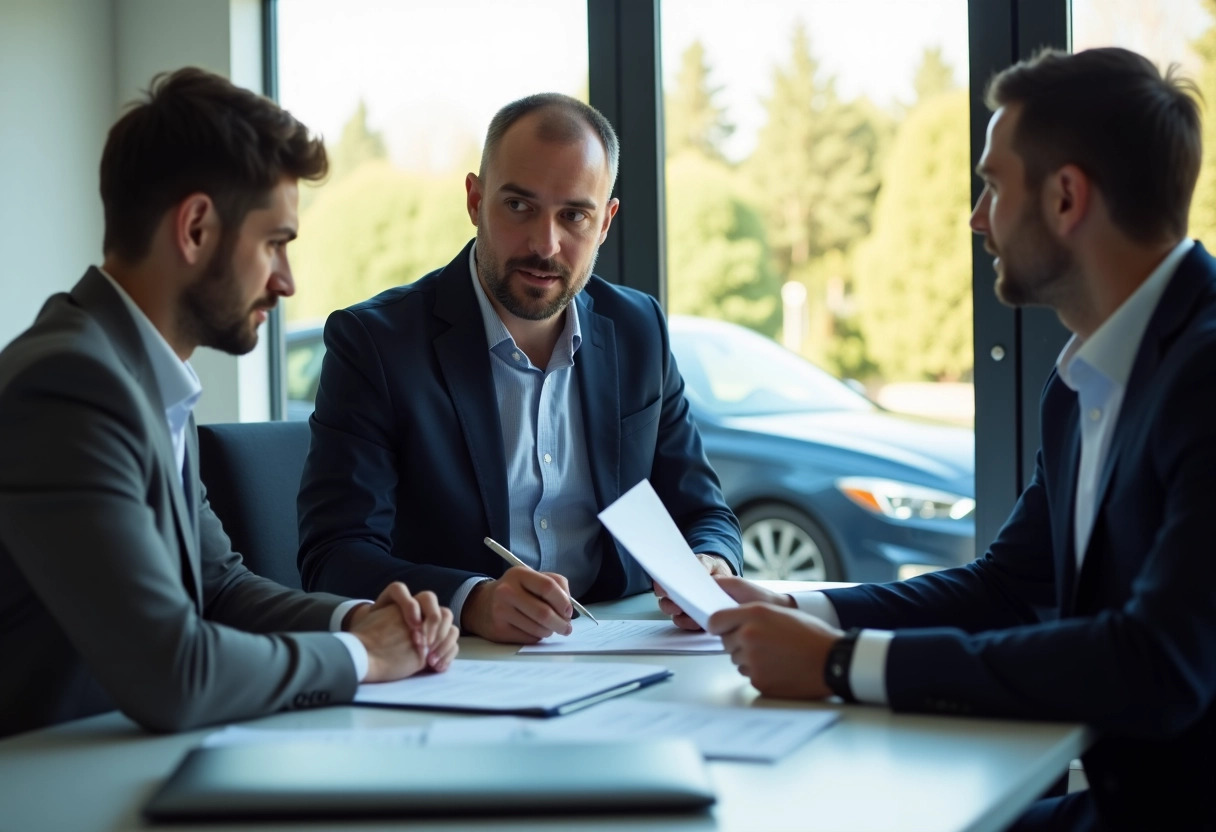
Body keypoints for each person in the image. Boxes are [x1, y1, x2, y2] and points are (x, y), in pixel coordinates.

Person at [683, 47, 1216, 830]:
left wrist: (838, 666)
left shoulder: (1205, 376)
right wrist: (801, 606)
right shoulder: (1084, 386)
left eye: (994, 185)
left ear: (1067, 198)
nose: (975, 217)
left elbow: (1159, 663)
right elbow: (1008, 587)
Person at [0, 68, 459, 739]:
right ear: (195, 229)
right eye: (275, 242)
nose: (287, 280)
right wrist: (365, 656)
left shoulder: (135, 375)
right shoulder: (70, 387)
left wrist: (355, 620)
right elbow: (172, 673)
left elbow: (220, 587)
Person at [297, 92, 742, 644]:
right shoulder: (377, 344)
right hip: (457, 665)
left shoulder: (638, 328)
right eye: (518, 206)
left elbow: (704, 513)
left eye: (573, 215)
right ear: (475, 199)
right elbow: (334, 558)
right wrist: (473, 601)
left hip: (623, 646)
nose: (544, 243)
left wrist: (710, 564)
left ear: (605, 223)